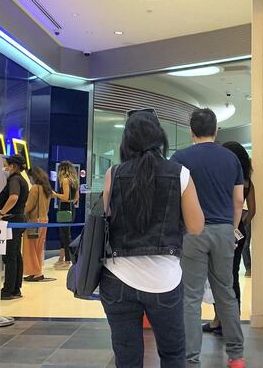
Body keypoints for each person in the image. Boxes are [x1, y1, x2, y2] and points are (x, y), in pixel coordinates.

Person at [101, 111, 205, 367]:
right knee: (172, 355)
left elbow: (107, 218)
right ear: (160, 138)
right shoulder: (180, 174)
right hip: (164, 280)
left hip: (117, 279)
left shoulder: (114, 174)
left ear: (126, 141)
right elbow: (196, 226)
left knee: (127, 358)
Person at [172, 109, 247, 368]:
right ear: (216, 130)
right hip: (224, 231)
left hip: (192, 233)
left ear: (191, 132)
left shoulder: (180, 158)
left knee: (190, 297)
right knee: (225, 292)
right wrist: (233, 229)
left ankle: (191, 360)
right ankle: (236, 356)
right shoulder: (231, 159)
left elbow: (174, 199)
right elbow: (239, 200)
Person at [203, 141, 257, 336]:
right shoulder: (248, 182)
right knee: (232, 275)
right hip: (237, 231)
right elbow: (252, 210)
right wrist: (242, 225)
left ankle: (219, 320)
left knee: (218, 276)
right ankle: (230, 321)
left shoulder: (226, 178)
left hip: (221, 228)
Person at [0, 154, 29, 301]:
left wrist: (2, 212)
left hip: (12, 219)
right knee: (16, 254)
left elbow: (13, 197)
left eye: (7, 165)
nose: (5, 168)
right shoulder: (22, 179)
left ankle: (8, 290)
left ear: (13, 166)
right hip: (19, 219)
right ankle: (15, 288)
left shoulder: (15, 179)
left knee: (9, 255)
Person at [23, 166, 54, 282]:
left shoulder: (35, 188)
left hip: (34, 221)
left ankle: (36, 273)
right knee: (39, 247)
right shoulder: (47, 189)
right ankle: (37, 271)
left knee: (30, 248)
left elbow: (29, 206)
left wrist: (22, 210)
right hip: (44, 220)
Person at [52, 161, 78, 269]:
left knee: (65, 235)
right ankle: (62, 258)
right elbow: (76, 198)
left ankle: (67, 260)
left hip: (64, 208)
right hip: (71, 208)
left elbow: (65, 197)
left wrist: (55, 194)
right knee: (65, 234)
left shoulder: (65, 181)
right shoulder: (74, 181)